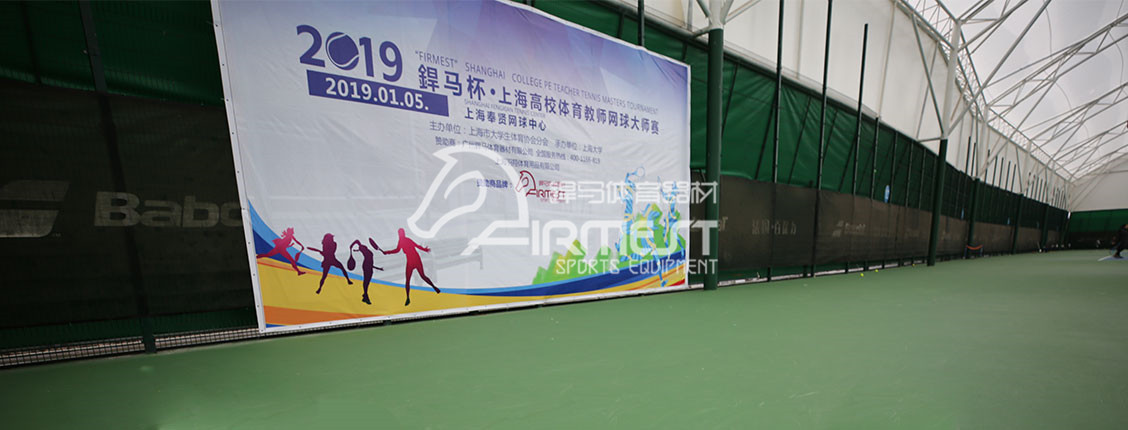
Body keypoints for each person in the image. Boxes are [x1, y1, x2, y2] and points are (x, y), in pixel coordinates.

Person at [383, 228, 440, 306]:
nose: (400, 235)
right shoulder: (403, 241)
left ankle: (433, 288)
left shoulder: (405, 240)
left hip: (414, 259)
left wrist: (387, 252)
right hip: (412, 259)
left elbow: (401, 249)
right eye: (400, 233)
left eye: (401, 233)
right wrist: (387, 252)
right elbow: (400, 249)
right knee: (416, 278)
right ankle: (409, 297)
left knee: (416, 278)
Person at [348, 238, 384, 305]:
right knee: (366, 282)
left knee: (367, 282)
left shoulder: (365, 251)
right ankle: (366, 296)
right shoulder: (366, 252)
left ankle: (365, 295)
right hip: (367, 267)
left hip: (368, 266)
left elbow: (357, 242)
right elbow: (357, 241)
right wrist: (351, 246)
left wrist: (354, 248)